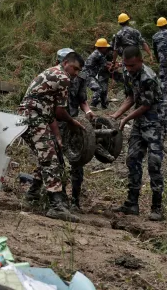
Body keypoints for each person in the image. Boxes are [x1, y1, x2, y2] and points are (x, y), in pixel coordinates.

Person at [18, 51, 86, 222]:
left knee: (50, 153)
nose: (75, 73)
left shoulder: (51, 72)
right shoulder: (63, 78)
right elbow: (60, 112)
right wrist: (73, 122)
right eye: (74, 68)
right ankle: (56, 206)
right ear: (65, 63)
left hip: (32, 116)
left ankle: (33, 193)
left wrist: (58, 137)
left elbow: (50, 112)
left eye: (78, 71)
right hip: (33, 117)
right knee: (51, 159)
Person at [111, 46, 165, 221]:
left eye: (132, 66)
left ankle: (157, 207)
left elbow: (146, 105)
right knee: (132, 159)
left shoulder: (148, 77)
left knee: (153, 164)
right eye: (126, 65)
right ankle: (131, 203)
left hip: (155, 122)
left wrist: (125, 120)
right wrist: (116, 115)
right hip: (139, 123)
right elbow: (131, 97)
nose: (128, 69)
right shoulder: (128, 73)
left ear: (141, 61)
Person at [55, 48, 95, 212]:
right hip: (56, 122)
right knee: (56, 162)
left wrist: (88, 111)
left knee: (77, 162)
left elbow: (82, 100)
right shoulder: (54, 77)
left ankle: (75, 201)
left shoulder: (80, 78)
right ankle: (59, 198)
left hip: (73, 124)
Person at [85, 38, 114, 109]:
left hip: (90, 75)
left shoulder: (97, 53)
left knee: (103, 89)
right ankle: (92, 105)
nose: (107, 49)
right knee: (98, 89)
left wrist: (116, 64)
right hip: (87, 75)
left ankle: (104, 105)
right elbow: (106, 65)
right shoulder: (98, 55)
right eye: (106, 47)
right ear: (102, 47)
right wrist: (117, 65)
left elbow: (106, 63)